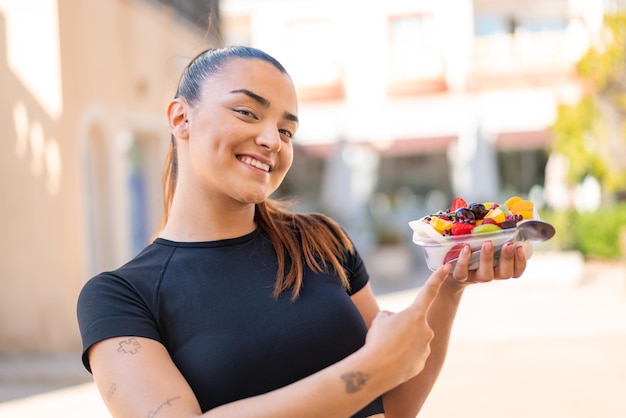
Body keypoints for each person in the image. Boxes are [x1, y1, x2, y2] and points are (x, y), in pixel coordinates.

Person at [77, 46, 528, 418]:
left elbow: (397, 405)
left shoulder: (320, 241)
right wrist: (372, 368)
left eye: (287, 130)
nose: (273, 140)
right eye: (247, 112)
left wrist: (449, 286)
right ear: (180, 119)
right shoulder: (120, 296)